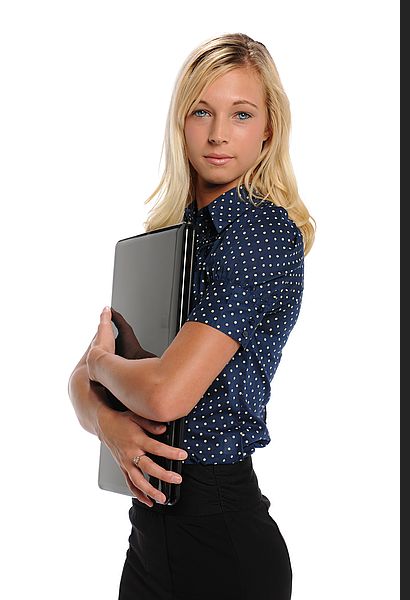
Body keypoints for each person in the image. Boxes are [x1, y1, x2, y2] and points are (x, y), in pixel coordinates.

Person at [68, 32, 315, 600]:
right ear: (181, 122)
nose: (219, 133)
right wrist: (108, 423)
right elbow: (79, 384)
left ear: (269, 129)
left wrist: (103, 368)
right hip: (152, 535)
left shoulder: (259, 232)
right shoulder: (169, 240)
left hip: (220, 537)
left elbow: (162, 394)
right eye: (201, 111)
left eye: (242, 114)